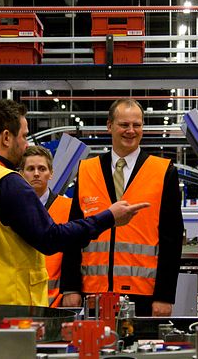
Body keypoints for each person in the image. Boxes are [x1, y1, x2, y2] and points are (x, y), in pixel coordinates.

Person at [0, 99, 150, 306]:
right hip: (5, 309)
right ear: (5, 137)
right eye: (23, 136)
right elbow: (50, 239)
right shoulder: (7, 183)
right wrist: (108, 217)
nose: (26, 144)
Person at [61, 98, 184, 317]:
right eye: (124, 125)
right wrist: (70, 286)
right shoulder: (87, 170)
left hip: (144, 294)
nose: (131, 131)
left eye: (137, 125)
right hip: (93, 292)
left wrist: (164, 296)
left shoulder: (163, 171)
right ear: (109, 126)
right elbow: (74, 233)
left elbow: (172, 240)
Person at [20, 145, 72, 307]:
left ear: (51, 173)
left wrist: (70, 290)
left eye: (42, 168)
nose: (36, 173)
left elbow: (74, 254)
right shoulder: (12, 209)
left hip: (56, 300)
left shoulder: (68, 207)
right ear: (21, 174)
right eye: (30, 169)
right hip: (21, 299)